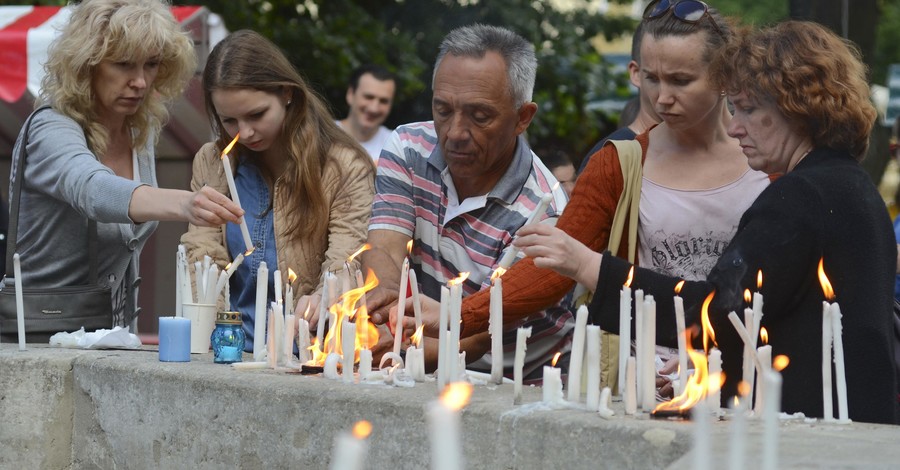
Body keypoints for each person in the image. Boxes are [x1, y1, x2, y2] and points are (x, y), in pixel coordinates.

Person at [521, 21, 899, 425]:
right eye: (734, 108)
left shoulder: (800, 196)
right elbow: (770, 321)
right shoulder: (852, 186)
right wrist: (704, 376)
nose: (735, 127)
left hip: (810, 434)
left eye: (750, 109)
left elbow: (719, 311)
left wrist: (587, 266)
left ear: (798, 109)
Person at [408, 1, 771, 395]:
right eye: (650, 78)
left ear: (722, 77)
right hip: (648, 383)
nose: (662, 97)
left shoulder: (770, 159)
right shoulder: (620, 161)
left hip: (752, 372)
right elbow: (553, 269)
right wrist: (455, 314)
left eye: (681, 80)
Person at [7, 0, 242, 331]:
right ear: (85, 64)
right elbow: (91, 189)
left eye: (151, 64)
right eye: (123, 64)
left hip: (112, 342)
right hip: (41, 343)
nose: (141, 82)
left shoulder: (137, 132)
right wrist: (185, 203)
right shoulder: (51, 127)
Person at [362, 24, 571, 382]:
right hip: (419, 362)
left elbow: (478, 337)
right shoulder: (408, 147)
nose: (455, 133)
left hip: (515, 384)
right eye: (443, 110)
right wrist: (382, 315)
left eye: (480, 116)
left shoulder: (544, 209)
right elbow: (384, 249)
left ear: (523, 117)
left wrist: (391, 347)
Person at [180, 30, 375, 349]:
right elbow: (201, 256)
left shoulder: (342, 165)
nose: (245, 132)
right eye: (229, 120)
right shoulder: (214, 161)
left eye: (257, 114)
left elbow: (347, 262)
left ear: (286, 93)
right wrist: (209, 338)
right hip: (228, 350)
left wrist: (321, 300)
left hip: (310, 354)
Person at [578, 20, 661, 174]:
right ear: (636, 74)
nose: (670, 92)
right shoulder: (608, 161)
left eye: (683, 79)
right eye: (657, 77)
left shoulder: (701, 154)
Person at [337, 64, 397, 162]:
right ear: (350, 94)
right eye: (368, 97)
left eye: (383, 101)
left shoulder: (396, 146)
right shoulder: (322, 135)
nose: (374, 108)